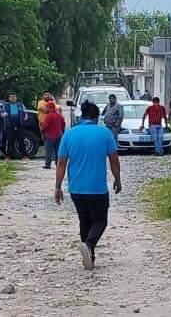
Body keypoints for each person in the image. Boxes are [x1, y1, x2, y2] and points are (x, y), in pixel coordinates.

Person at [55, 101, 121, 270]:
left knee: (84, 221)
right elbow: (114, 159)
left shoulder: (69, 134)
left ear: (81, 115)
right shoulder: (105, 133)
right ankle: (89, 245)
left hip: (76, 188)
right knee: (100, 221)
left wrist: (57, 187)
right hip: (97, 187)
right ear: (96, 116)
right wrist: (117, 179)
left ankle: (89, 257)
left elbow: (61, 162)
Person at [41, 101, 65, 169]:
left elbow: (44, 126)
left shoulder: (48, 116)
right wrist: (62, 131)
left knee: (48, 150)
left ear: (49, 107)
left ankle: (48, 164)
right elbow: (63, 123)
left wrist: (42, 131)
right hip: (58, 135)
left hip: (49, 136)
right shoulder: (59, 115)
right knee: (57, 150)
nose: (46, 108)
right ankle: (57, 163)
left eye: (47, 107)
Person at [5, 92, 27, 159]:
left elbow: (25, 112)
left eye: (14, 96)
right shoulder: (6, 106)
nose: (13, 98)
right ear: (9, 98)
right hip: (10, 125)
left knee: (21, 140)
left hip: (19, 124)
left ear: (16, 98)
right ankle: (8, 156)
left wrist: (25, 117)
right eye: (11, 97)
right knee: (10, 141)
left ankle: (24, 156)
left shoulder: (20, 105)